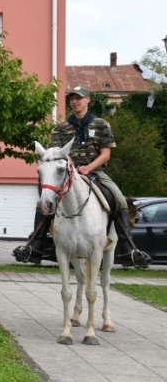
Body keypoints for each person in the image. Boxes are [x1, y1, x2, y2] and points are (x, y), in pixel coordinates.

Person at [13, 86, 151, 268]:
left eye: (78, 98)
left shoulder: (101, 124)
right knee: (45, 200)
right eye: (72, 98)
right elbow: (54, 154)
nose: (75, 101)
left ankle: (129, 250)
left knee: (120, 200)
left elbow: (105, 154)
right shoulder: (61, 128)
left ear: (88, 100)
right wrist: (69, 169)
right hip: (65, 174)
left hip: (95, 172)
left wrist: (89, 167)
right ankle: (34, 246)